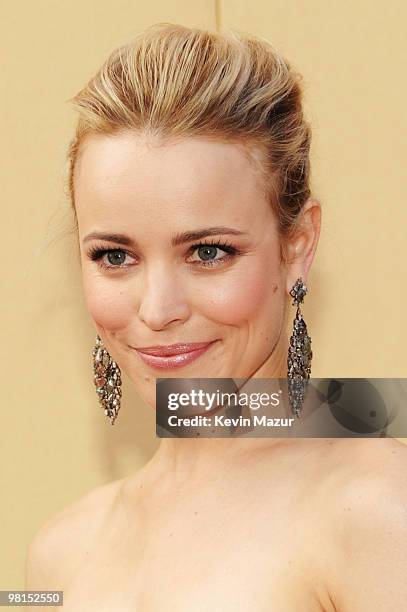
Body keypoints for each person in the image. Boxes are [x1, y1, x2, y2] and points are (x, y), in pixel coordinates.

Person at [25, 23, 407, 611]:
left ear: (298, 245)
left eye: (208, 253)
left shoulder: (380, 504)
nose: (156, 311)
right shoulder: (59, 550)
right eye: (115, 256)